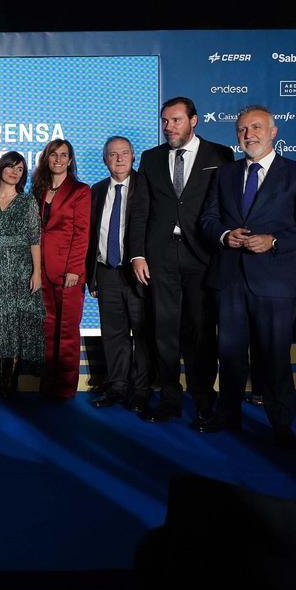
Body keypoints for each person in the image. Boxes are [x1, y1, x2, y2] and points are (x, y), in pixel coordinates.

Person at [198, 106, 296, 447]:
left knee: (274, 357)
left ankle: (281, 424)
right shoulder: (224, 175)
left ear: (273, 131)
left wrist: (274, 241)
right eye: (241, 129)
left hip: (275, 282)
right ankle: (227, 415)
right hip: (230, 280)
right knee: (231, 354)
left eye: (255, 127)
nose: (248, 134)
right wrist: (226, 236)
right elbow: (208, 220)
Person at [131, 96, 233, 426]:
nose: (168, 127)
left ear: (194, 120)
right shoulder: (150, 158)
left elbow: (225, 205)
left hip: (202, 254)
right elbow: (141, 210)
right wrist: (138, 253)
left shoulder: (220, 155)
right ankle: (170, 399)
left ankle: (204, 399)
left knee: (202, 330)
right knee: (163, 330)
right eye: (165, 121)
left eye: (175, 120)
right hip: (160, 257)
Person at [84, 137, 152, 409]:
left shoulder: (147, 186)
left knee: (143, 333)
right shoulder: (96, 190)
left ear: (133, 157)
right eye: (113, 155)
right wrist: (92, 276)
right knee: (113, 334)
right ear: (105, 160)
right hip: (106, 271)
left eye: (125, 154)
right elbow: (90, 236)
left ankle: (143, 390)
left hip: (137, 272)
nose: (120, 159)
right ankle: (117, 388)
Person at [0, 151, 45, 398]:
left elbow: (34, 239)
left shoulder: (28, 201)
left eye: (20, 169)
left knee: (17, 325)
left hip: (22, 268)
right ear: (1, 168)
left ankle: (11, 382)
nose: (14, 172)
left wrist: (37, 272)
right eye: (11, 167)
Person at [33, 139, 91, 401]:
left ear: (70, 160)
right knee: (47, 328)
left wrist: (75, 269)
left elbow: (82, 233)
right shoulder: (38, 190)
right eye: (53, 155)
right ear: (47, 159)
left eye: (63, 155)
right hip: (40, 268)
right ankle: (48, 382)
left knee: (67, 330)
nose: (58, 159)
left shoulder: (80, 190)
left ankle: (66, 387)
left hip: (68, 270)